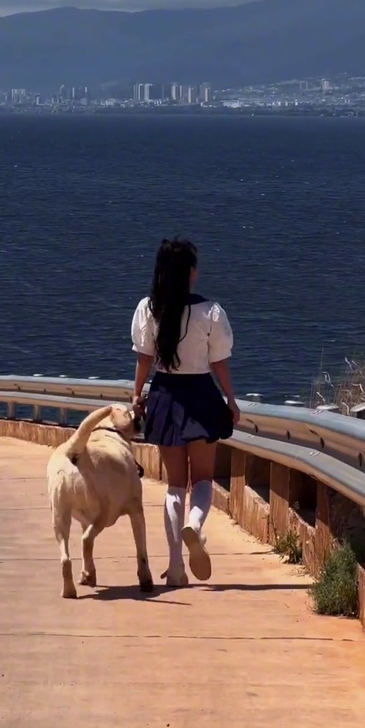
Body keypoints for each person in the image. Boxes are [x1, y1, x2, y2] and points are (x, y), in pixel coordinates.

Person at [131, 237, 240, 587]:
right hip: (201, 395)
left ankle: (176, 566)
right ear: (191, 273)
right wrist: (231, 400)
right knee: (203, 480)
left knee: (174, 485)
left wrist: (137, 395)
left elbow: (144, 359)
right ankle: (196, 523)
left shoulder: (149, 309)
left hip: (165, 394)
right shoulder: (211, 312)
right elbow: (219, 362)